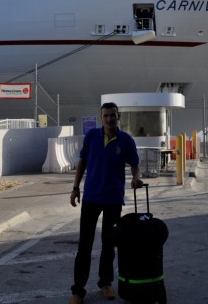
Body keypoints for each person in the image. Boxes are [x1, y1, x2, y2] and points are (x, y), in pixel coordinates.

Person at [69, 102, 144, 304]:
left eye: (113, 115)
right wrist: (75, 188)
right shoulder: (92, 137)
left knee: (109, 245)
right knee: (84, 246)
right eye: (106, 115)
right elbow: (82, 162)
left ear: (118, 116)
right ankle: (78, 290)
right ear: (101, 117)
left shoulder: (126, 140)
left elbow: (135, 163)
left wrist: (136, 178)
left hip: (113, 199)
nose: (110, 118)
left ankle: (105, 283)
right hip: (91, 198)